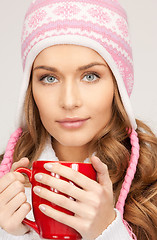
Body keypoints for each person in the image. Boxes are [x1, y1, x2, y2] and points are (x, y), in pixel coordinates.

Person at [0, 0, 157, 239]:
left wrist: (109, 231)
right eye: (49, 78)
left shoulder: (151, 184)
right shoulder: (5, 184)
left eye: (90, 76)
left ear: (118, 86)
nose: (69, 101)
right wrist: (11, 234)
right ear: (30, 88)